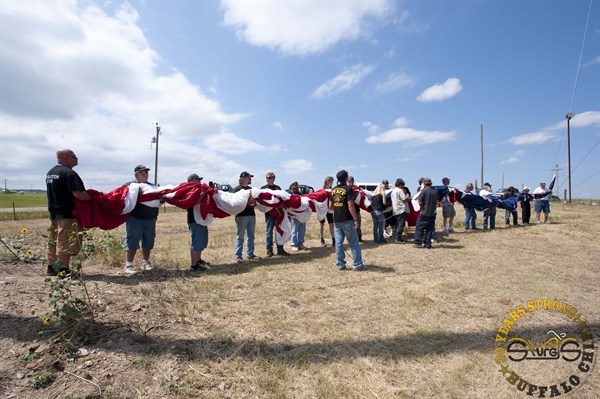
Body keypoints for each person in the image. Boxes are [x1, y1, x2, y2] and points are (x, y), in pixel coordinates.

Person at [45, 149, 91, 276]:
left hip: (54, 213)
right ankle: (63, 270)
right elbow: (79, 194)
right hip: (67, 213)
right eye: (74, 156)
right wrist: (92, 198)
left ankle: (51, 267)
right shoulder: (69, 173)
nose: (77, 158)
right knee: (65, 241)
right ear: (65, 158)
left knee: (53, 240)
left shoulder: (51, 172)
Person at [123, 165, 160, 274]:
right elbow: (120, 198)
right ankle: (129, 264)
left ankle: (146, 262)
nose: (145, 175)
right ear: (136, 175)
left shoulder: (152, 187)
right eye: (143, 173)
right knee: (132, 240)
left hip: (150, 219)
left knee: (148, 241)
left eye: (146, 173)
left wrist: (161, 199)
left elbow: (158, 202)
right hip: (135, 218)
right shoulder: (129, 186)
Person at [330, 170, 365, 271]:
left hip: (337, 219)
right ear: (346, 178)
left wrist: (338, 209)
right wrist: (355, 219)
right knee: (354, 242)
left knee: (339, 242)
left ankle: (340, 264)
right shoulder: (348, 189)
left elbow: (330, 206)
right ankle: (358, 264)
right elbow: (351, 205)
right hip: (347, 219)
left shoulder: (333, 190)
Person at [232, 171, 260, 263]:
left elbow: (255, 203)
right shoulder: (236, 189)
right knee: (240, 236)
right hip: (241, 215)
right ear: (243, 178)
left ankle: (250, 254)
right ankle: (238, 256)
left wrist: (254, 201)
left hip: (251, 214)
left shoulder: (251, 189)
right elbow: (232, 202)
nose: (250, 179)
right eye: (248, 177)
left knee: (251, 236)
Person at [260, 171, 289, 257]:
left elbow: (282, 198)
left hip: (279, 214)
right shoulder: (263, 188)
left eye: (270, 178)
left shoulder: (277, 188)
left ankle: (280, 248)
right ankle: (269, 250)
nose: (269, 179)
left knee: (279, 231)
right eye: (267, 178)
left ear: (274, 178)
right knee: (269, 232)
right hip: (269, 215)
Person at [186, 174, 209, 272]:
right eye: (197, 180)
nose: (199, 182)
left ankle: (198, 260)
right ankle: (194, 266)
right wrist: (204, 193)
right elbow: (194, 202)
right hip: (194, 220)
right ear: (192, 181)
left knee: (201, 241)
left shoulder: (197, 190)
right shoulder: (189, 191)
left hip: (200, 219)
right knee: (196, 242)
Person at [414, 178, 438, 249]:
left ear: (424, 183)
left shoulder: (424, 191)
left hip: (424, 213)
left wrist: (423, 207)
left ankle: (418, 243)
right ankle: (428, 244)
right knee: (430, 229)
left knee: (419, 227)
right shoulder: (435, 191)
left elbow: (420, 202)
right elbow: (437, 202)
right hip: (433, 213)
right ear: (431, 183)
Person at [286, 181, 307, 250]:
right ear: (291, 186)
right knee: (294, 229)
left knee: (302, 230)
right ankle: (293, 244)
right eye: (294, 185)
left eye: (297, 185)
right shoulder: (288, 193)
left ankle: (300, 243)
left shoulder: (300, 194)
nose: (295, 186)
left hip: (302, 214)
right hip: (294, 215)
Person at [391, 178, 410, 243]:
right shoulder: (400, 190)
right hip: (401, 209)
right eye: (402, 185)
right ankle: (398, 238)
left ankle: (396, 236)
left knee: (398, 223)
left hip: (396, 209)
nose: (402, 186)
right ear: (400, 185)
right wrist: (409, 198)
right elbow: (404, 199)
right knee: (401, 224)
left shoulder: (393, 191)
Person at [319, 176, 335, 247]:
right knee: (322, 224)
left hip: (329, 210)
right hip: (322, 209)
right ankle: (322, 239)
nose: (331, 182)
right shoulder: (322, 190)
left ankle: (334, 240)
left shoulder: (332, 190)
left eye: (332, 181)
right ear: (326, 181)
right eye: (330, 181)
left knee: (331, 224)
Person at [346, 176, 363, 242]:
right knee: (350, 227)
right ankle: (350, 239)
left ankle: (359, 238)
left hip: (357, 211)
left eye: (352, 181)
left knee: (358, 225)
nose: (351, 183)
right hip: (349, 212)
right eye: (350, 181)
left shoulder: (356, 189)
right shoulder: (347, 190)